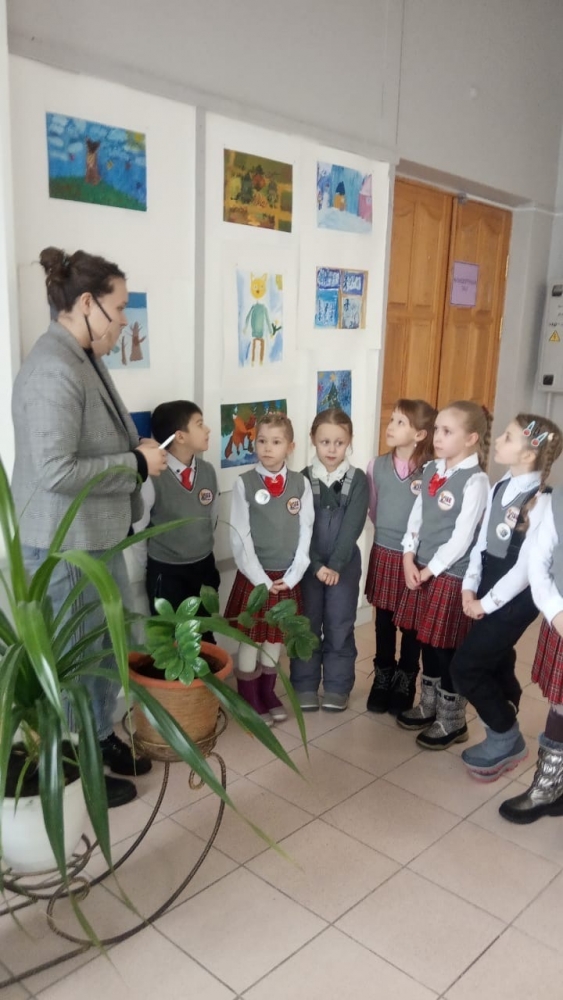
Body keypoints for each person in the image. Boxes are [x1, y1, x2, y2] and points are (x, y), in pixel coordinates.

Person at [11, 246, 168, 808]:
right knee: (78, 659)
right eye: (119, 307)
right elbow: (55, 471)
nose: (124, 319)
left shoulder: (82, 355)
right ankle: (80, 773)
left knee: (102, 651)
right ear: (86, 303)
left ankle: (100, 739)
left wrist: (135, 447)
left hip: (94, 540)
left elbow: (89, 443)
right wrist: (134, 464)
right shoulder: (52, 368)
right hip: (64, 547)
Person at [451, 415, 562, 780]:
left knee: (465, 668)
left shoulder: (542, 502)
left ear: (529, 454)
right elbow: (482, 543)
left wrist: (486, 603)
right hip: (487, 585)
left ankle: (505, 736)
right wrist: (469, 586)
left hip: (513, 600)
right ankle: (508, 701)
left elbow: (525, 571)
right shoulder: (501, 484)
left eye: (508, 437)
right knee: (493, 658)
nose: (498, 439)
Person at [394, 401, 490, 749]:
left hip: (449, 574)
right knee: (426, 641)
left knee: (446, 647)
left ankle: (452, 720)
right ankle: (429, 705)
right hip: (421, 567)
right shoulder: (432, 468)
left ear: (471, 438)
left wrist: (428, 570)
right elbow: (417, 517)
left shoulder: (475, 481)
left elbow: (462, 539)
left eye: (447, 431)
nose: (437, 436)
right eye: (437, 429)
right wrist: (408, 556)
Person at [224, 412, 314, 724]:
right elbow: (240, 536)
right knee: (251, 639)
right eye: (261, 440)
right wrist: (261, 579)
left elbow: (306, 531)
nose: (267, 447)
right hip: (256, 578)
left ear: (290, 446)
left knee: (275, 639)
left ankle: (267, 691)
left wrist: (293, 576)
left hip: (286, 578)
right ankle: (248, 696)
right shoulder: (245, 483)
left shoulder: (301, 483)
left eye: (276, 442)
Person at [289, 408, 369, 712]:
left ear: (349, 441)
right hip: (307, 566)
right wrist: (316, 565)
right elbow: (298, 529)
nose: (332, 449)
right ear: (313, 439)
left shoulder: (358, 480)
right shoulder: (300, 480)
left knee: (339, 625)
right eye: (325, 442)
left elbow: (352, 526)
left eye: (339, 442)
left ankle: (337, 686)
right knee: (306, 625)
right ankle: (305, 684)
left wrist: (335, 565)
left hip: (343, 567)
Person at [365, 399, 436, 715]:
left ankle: (406, 678)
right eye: (391, 419)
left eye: (400, 422)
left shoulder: (433, 471)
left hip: (415, 558)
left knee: (411, 624)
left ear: (419, 434)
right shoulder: (376, 466)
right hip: (384, 550)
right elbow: (374, 508)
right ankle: (383, 675)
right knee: (383, 619)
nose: (390, 426)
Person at [499, 481, 563, 823]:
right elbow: (539, 562)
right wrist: (555, 612)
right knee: (561, 705)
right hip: (562, 615)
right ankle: (549, 787)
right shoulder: (558, 503)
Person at [133, 400, 220, 641]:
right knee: (171, 640)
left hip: (204, 568)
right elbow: (139, 530)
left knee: (205, 637)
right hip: (167, 573)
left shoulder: (208, 471)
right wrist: (150, 568)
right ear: (180, 436)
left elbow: (212, 517)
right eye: (200, 424)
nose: (208, 429)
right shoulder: (153, 477)